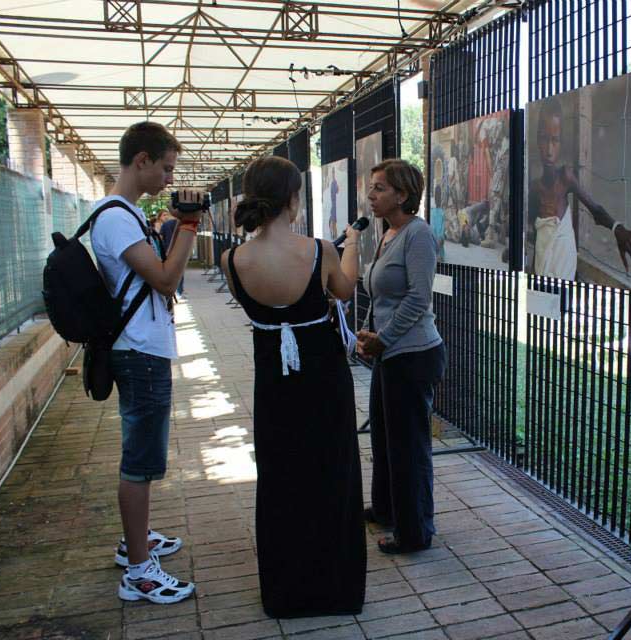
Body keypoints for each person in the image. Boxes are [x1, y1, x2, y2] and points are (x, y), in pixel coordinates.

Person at [220, 156, 365, 617]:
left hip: (274, 388)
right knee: (332, 473)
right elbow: (344, 291)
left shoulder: (232, 260)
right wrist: (354, 244)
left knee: (282, 480)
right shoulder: (321, 250)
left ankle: (286, 592)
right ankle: (335, 588)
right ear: (293, 199)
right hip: (324, 380)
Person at [90, 121, 201, 604]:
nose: (169, 180)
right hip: (139, 351)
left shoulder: (128, 213)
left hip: (141, 347)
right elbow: (164, 279)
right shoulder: (115, 217)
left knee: (143, 457)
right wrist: (190, 231)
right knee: (140, 462)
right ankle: (139, 570)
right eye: (166, 168)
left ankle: (137, 540)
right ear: (141, 161)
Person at [357, 158, 446, 554]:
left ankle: (415, 532)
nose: (371, 195)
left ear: (403, 195)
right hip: (389, 352)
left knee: (408, 446)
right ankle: (387, 508)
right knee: (384, 436)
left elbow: (418, 297)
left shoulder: (418, 234)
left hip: (413, 354)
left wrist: (384, 338)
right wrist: (367, 333)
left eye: (379, 188)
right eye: (372, 187)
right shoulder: (387, 233)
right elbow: (379, 293)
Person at [528, 100, 631, 279]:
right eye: (544, 139)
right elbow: (538, 237)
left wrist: (617, 228)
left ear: (561, 143)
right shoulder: (535, 189)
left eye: (555, 140)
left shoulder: (565, 178)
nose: (549, 150)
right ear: (537, 139)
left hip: (563, 273)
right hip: (541, 274)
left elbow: (595, 210)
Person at [158, 210, 184, 296]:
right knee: (180, 270)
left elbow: (160, 238)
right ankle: (180, 291)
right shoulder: (181, 224)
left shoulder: (165, 225)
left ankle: (172, 291)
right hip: (179, 249)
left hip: (167, 250)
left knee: (169, 270)